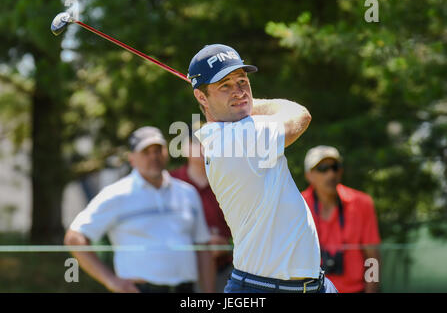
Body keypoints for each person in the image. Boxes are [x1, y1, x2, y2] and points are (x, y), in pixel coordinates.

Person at [187, 44, 337, 293]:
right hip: (265, 289)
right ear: (202, 97)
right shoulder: (236, 138)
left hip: (311, 285)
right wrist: (249, 102)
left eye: (242, 81)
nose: (239, 91)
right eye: (225, 85)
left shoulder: (234, 131)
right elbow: (300, 115)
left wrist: (237, 101)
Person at [64, 126, 215, 293]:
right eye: (146, 152)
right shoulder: (116, 194)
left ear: (167, 152)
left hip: (186, 290)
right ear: (132, 159)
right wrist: (111, 281)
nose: (154, 156)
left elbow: (203, 248)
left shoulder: (188, 193)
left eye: (158, 150)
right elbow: (74, 238)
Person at [302, 145, 381, 293]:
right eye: (323, 169)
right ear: (309, 175)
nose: (331, 174)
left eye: (335, 167)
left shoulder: (362, 203)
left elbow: (373, 259)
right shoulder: (298, 205)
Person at [170, 121, 234, 292]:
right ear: (183, 147)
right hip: (181, 273)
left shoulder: (229, 181)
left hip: (227, 270)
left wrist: (227, 244)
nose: (202, 146)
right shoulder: (170, 182)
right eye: (195, 141)